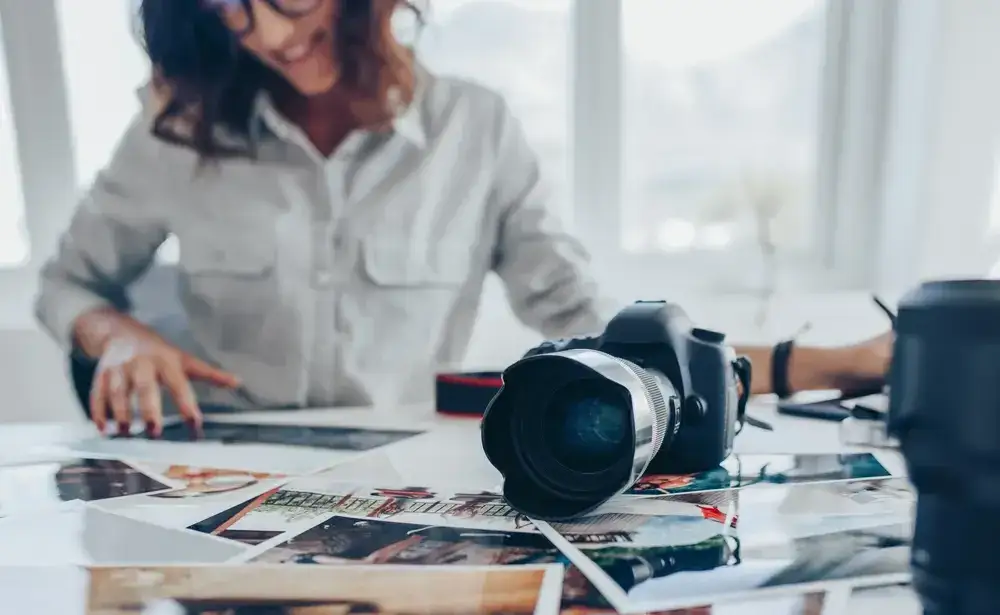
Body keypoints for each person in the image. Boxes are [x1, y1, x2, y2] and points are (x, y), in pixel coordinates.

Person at [33, 0, 892, 436]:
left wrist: (826, 365)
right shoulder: (177, 130)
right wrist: (117, 335)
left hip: (392, 492)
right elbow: (67, 284)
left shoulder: (478, 130)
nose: (267, 33)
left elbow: (603, 329)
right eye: (229, 5)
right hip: (214, 483)